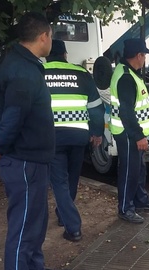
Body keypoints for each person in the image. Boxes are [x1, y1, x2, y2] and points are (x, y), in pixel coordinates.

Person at [0, 12, 71, 270]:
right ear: (43, 36)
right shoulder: (22, 70)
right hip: (23, 162)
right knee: (23, 226)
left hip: (33, 160)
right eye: (51, 35)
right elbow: (13, 116)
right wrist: (0, 146)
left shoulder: (25, 64)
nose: (51, 39)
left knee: (36, 221)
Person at [44, 39, 105, 242]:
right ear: (65, 55)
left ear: (47, 54)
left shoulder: (39, 72)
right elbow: (96, 108)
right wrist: (97, 133)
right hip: (79, 136)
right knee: (71, 179)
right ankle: (64, 216)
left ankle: (73, 228)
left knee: (59, 182)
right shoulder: (81, 74)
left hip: (52, 137)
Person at [109, 38, 149, 224]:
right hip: (128, 133)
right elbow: (126, 111)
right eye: (144, 55)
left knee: (138, 169)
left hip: (132, 133)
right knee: (129, 171)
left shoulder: (131, 73)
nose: (145, 59)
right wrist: (138, 136)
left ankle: (140, 200)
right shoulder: (125, 76)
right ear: (138, 55)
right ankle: (125, 208)